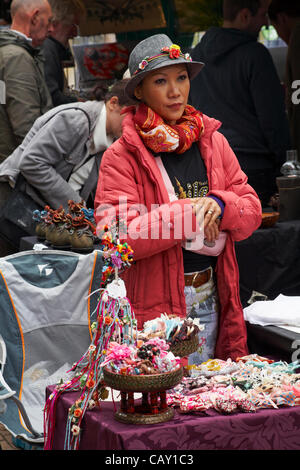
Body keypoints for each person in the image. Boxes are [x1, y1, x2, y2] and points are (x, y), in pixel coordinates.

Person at [94, 34, 262, 363]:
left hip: (210, 296)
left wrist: (221, 206)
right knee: (165, 404)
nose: (175, 91)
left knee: (208, 397)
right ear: (139, 91)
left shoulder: (214, 143)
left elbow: (252, 209)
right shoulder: (121, 157)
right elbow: (118, 237)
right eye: (161, 81)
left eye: (181, 78)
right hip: (155, 309)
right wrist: (191, 214)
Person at [0, 78, 135, 255]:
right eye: (131, 116)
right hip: (12, 205)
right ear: (113, 103)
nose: (134, 125)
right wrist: (77, 209)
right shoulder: (76, 119)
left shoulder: (109, 142)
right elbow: (32, 162)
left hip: (42, 217)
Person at [189, 0, 291, 208]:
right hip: (255, 170)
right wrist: (286, 164)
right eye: (262, 15)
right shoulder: (255, 54)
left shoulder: (195, 58)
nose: (266, 23)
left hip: (211, 169)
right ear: (245, 16)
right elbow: (273, 120)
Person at [0, 0, 54, 162]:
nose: (51, 28)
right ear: (35, 17)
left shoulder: (7, 52)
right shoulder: (16, 57)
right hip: (16, 173)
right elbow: (27, 127)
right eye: (49, 21)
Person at [268, 0, 300, 160]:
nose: (279, 34)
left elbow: (297, 92)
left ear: (282, 18)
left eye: (275, 28)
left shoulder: (297, 37)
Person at [42, 0, 85, 107]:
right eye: (73, 25)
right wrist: (80, 103)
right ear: (55, 23)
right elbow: (52, 97)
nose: (75, 33)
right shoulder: (47, 48)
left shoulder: (49, 47)